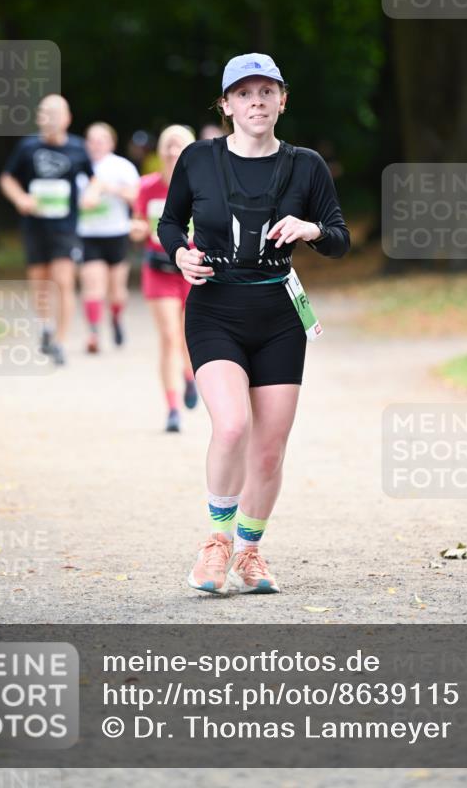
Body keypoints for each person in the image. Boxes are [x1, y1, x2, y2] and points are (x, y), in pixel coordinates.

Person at [158, 53, 350, 594]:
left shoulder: (306, 165)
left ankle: (249, 551)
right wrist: (179, 255)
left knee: (270, 445)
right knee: (233, 426)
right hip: (215, 308)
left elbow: (339, 239)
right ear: (226, 105)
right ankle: (215, 545)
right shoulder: (197, 159)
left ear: (283, 99)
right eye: (244, 93)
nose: (257, 101)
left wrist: (310, 228)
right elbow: (170, 222)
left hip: (279, 315)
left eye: (267, 91)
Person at [0, 94, 100, 365]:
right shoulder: (27, 147)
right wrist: (20, 198)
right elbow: (7, 178)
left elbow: (94, 180)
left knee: (63, 281)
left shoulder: (79, 148)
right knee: (40, 282)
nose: (47, 119)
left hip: (65, 227)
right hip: (34, 226)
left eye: (53, 113)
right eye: (43, 113)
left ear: (66, 118)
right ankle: (45, 325)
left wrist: (91, 193)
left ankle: (60, 341)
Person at [131, 124, 199, 432]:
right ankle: (172, 409)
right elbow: (138, 222)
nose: (173, 151)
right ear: (160, 151)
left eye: (180, 145)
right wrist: (138, 229)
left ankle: (189, 375)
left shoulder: (204, 187)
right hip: (159, 269)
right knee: (170, 337)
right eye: (168, 145)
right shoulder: (147, 187)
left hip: (194, 272)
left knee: (188, 336)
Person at [77, 122, 140, 353]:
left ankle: (115, 318)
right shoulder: (79, 166)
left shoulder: (121, 167)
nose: (95, 145)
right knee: (93, 285)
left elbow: (136, 196)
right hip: (89, 234)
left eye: (100, 140)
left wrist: (108, 189)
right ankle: (93, 332)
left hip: (117, 233)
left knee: (116, 291)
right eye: (91, 140)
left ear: (111, 143)